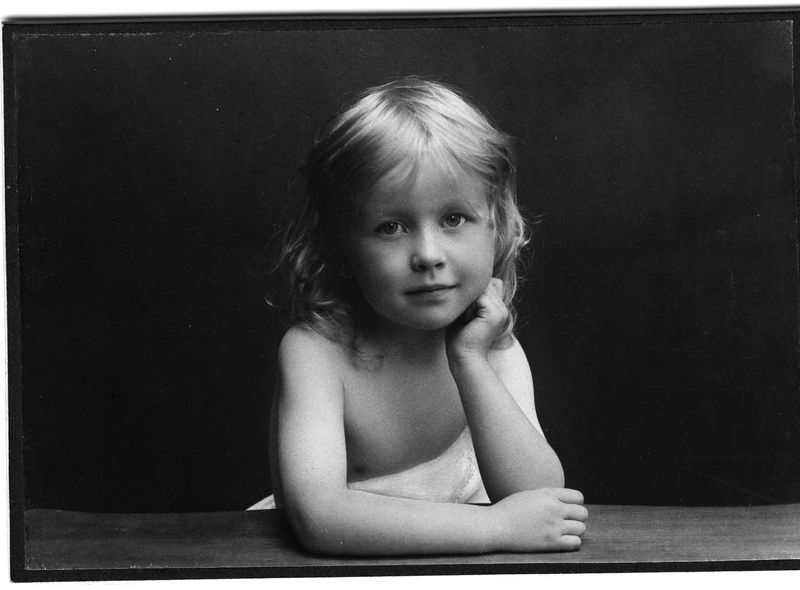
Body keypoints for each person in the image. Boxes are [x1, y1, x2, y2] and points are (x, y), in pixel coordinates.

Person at [250, 77, 588, 556]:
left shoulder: (490, 346)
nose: (428, 254)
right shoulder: (317, 352)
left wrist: (469, 362)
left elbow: (541, 498)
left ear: (496, 226)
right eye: (390, 227)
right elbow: (320, 517)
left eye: (453, 219)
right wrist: (494, 528)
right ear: (341, 246)